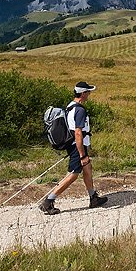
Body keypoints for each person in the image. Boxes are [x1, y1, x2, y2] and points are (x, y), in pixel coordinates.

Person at [39, 82, 107, 215]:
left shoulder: (70, 106)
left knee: (87, 168)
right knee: (73, 174)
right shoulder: (80, 110)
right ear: (83, 94)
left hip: (75, 145)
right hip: (77, 146)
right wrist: (82, 154)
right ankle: (48, 201)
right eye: (88, 92)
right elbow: (77, 132)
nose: (89, 94)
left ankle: (93, 198)